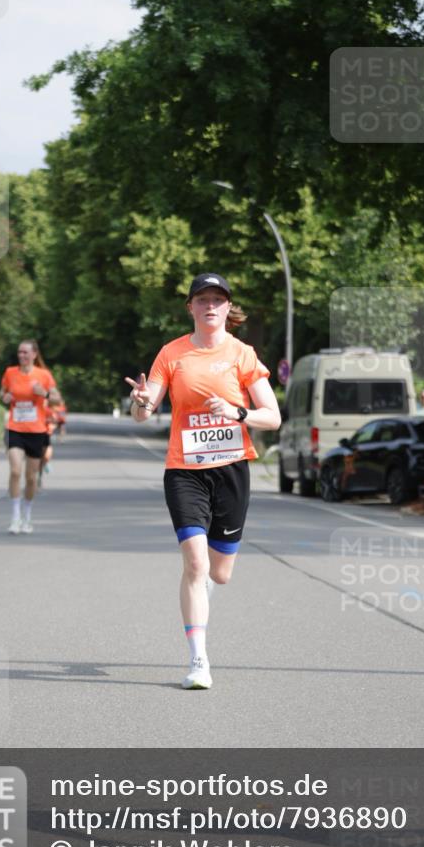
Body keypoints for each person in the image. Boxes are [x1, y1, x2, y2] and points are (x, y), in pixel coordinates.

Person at [125, 272, 281, 690]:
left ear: (229, 309)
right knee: (195, 563)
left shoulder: (243, 354)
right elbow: (145, 410)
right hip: (185, 470)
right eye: (202, 299)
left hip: (231, 470)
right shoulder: (171, 354)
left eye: (218, 300)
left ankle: (201, 605)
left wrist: (238, 413)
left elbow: (273, 416)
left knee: (220, 573)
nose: (210, 306)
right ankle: (199, 660)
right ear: (190, 307)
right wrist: (139, 403)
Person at [0, 340, 60, 534]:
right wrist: (5, 397)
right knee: (16, 471)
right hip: (15, 428)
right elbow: (3, 392)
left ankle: (27, 516)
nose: (22, 356)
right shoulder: (10, 373)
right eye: (19, 352)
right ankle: (15, 517)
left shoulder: (44, 375)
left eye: (25, 353)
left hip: (36, 431)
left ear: (34, 354)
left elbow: (57, 399)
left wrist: (43, 393)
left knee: (31, 478)